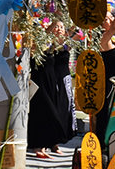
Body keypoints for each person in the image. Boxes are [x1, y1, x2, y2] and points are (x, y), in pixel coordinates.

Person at [27, 22, 74, 160]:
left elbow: (69, 38)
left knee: (47, 114)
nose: (58, 29)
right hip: (39, 84)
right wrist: (53, 25)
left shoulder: (54, 45)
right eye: (56, 26)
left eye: (61, 26)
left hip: (51, 83)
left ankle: (45, 145)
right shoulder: (38, 45)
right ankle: (39, 146)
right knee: (45, 113)